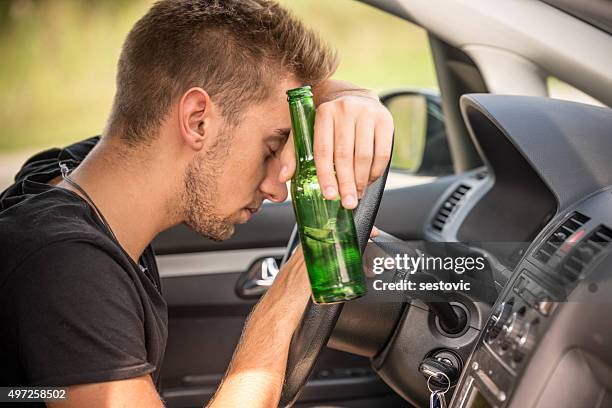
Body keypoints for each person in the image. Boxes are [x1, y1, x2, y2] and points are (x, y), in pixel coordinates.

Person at [0, 0, 393, 406]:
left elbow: (281, 90)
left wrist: (356, 99)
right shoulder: (67, 268)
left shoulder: (68, 175)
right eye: (272, 146)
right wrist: (288, 294)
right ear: (197, 119)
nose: (279, 189)